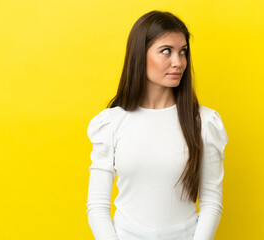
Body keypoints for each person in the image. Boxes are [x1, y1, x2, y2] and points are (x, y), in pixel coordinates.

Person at [86, 10, 229, 240]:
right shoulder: (111, 123)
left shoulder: (203, 122)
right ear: (140, 55)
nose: (178, 62)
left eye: (183, 52)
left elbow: (211, 200)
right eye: (166, 51)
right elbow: (97, 206)